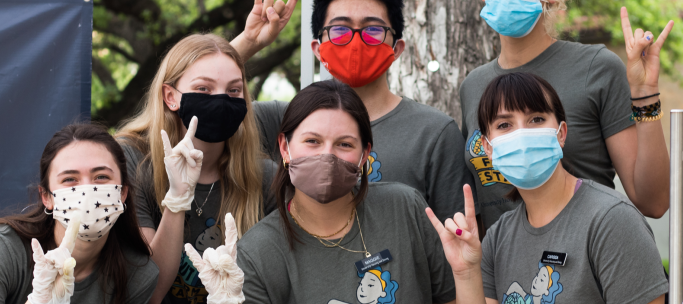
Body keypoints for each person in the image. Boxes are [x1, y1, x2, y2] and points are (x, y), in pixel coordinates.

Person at [460, 0, 672, 231]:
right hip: (504, 272)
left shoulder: (595, 67)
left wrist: (645, 93)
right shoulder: (472, 86)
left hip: (590, 260)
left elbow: (653, 202)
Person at [232, 0, 477, 222]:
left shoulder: (434, 134)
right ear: (318, 48)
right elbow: (194, 102)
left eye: (373, 30)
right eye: (340, 31)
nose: (356, 42)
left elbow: (458, 242)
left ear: (397, 48)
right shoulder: (285, 120)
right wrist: (248, 43)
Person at [426, 72, 668, 304]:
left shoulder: (611, 220)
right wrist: (466, 272)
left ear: (561, 133)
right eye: (504, 125)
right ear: (487, 148)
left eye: (536, 119)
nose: (521, 134)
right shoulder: (496, 239)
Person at [235, 80, 456, 303]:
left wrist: (468, 270)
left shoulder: (405, 208)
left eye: (345, 144)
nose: (327, 156)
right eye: (312, 141)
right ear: (285, 148)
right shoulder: (257, 253)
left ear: (365, 154)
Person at [114, 32, 284, 303]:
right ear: (171, 96)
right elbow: (149, 293)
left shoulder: (263, 175)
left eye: (233, 91)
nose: (220, 100)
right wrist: (177, 199)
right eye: (203, 89)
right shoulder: (132, 161)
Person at [0, 123, 158, 304]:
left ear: (122, 193)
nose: (87, 190)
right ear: (46, 197)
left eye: (101, 177)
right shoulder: (6, 250)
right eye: (69, 179)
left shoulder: (137, 275)